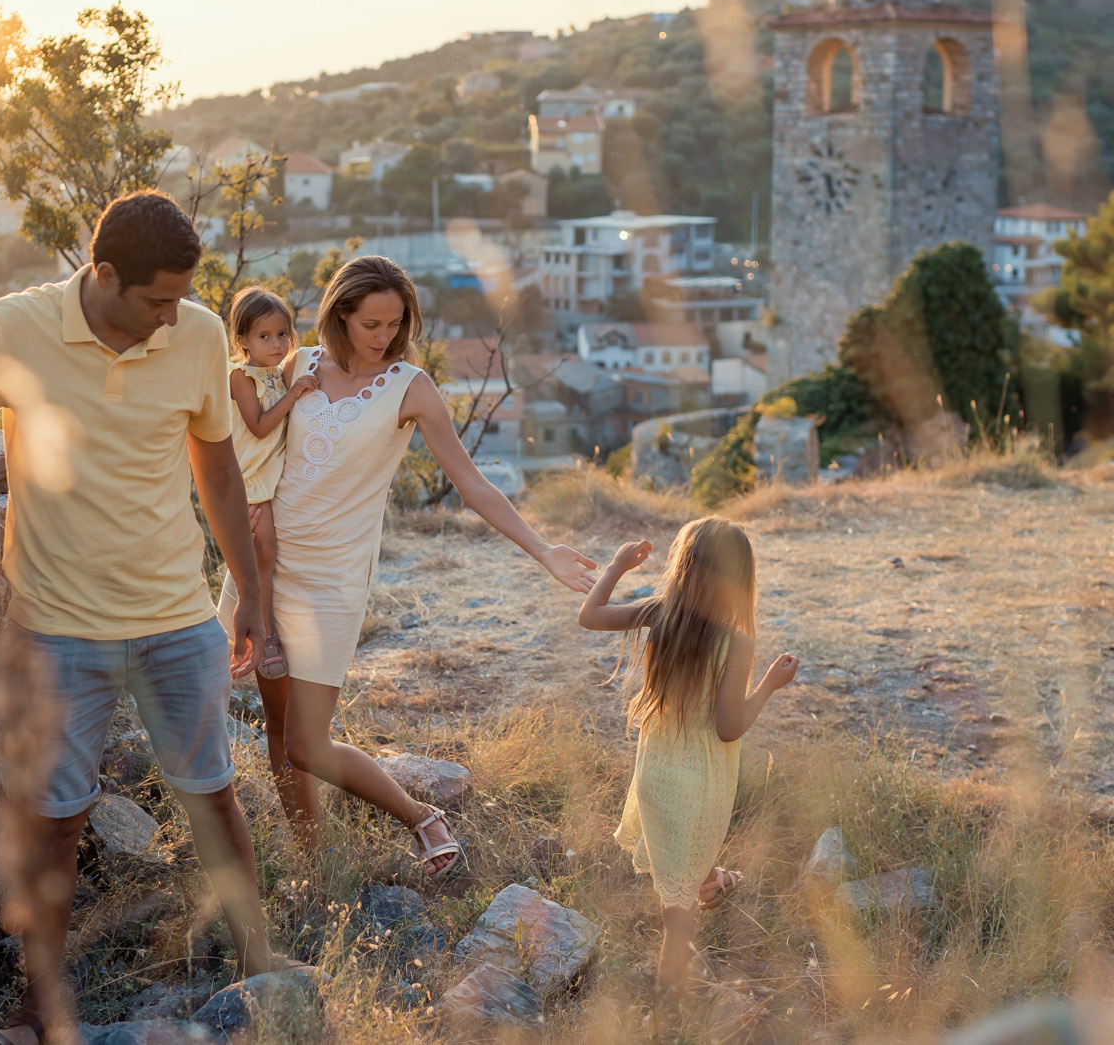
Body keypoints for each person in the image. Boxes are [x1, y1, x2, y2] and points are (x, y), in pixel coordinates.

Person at [0, 191, 277, 1045]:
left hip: (177, 618)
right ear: (104, 274)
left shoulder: (198, 333)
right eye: (158, 299)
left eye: (181, 298)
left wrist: (248, 589)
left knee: (212, 797)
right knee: (54, 821)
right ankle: (41, 1004)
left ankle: (260, 962)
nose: (174, 315)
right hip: (56, 628)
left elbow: (218, 472)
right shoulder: (13, 327)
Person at [221, 255, 597, 876]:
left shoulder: (410, 387)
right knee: (279, 732)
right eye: (371, 323)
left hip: (333, 580)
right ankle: (313, 866)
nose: (385, 336)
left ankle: (421, 815)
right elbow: (249, 436)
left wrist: (543, 549)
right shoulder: (297, 362)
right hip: (265, 565)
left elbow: (472, 484)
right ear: (340, 315)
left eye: (395, 323)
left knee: (308, 744)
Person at [576, 519, 798, 1024]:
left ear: (683, 567)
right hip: (699, 786)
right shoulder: (736, 642)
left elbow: (589, 616)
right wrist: (768, 685)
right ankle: (667, 1013)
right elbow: (728, 728)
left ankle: (710, 881)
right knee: (678, 921)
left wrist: (617, 566)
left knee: (678, 870)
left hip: (656, 778)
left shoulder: (661, 613)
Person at [225, 287, 319, 681]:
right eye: (264, 336)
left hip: (270, 478)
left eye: (283, 334)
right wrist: (295, 393)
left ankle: (260, 627)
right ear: (243, 340)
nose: (277, 344)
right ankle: (263, 634)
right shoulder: (241, 377)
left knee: (266, 554)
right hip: (249, 477)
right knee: (264, 553)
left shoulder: (276, 373)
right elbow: (260, 427)